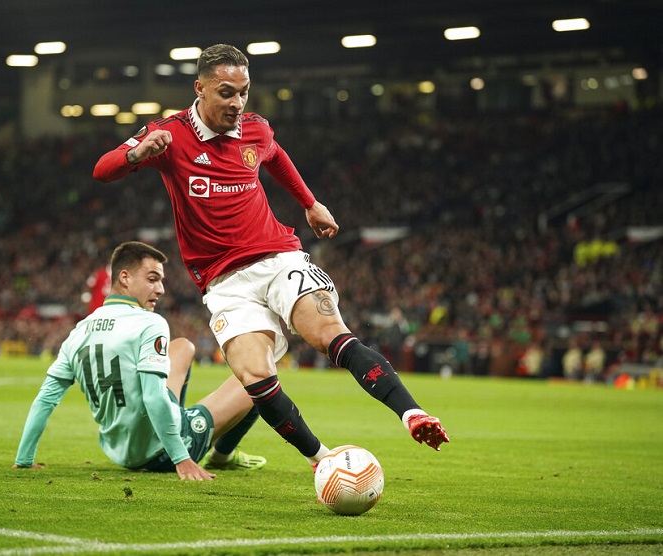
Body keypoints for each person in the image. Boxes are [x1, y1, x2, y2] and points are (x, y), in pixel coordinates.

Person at [93, 44, 449, 469]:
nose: (237, 103)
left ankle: (411, 413)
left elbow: (275, 156)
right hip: (224, 283)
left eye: (244, 92)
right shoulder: (170, 135)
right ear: (200, 89)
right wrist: (138, 152)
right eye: (226, 93)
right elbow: (102, 169)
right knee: (255, 376)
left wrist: (310, 203)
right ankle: (323, 460)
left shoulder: (255, 129)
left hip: (280, 259)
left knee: (330, 334)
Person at [12, 241, 265, 480]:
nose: (161, 289)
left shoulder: (78, 332)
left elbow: (46, 399)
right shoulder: (150, 323)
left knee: (183, 347)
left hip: (122, 452)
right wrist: (182, 458)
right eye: (152, 280)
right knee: (259, 377)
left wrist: (24, 458)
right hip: (162, 453)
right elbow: (153, 397)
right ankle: (222, 456)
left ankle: (175, 417)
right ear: (125, 278)